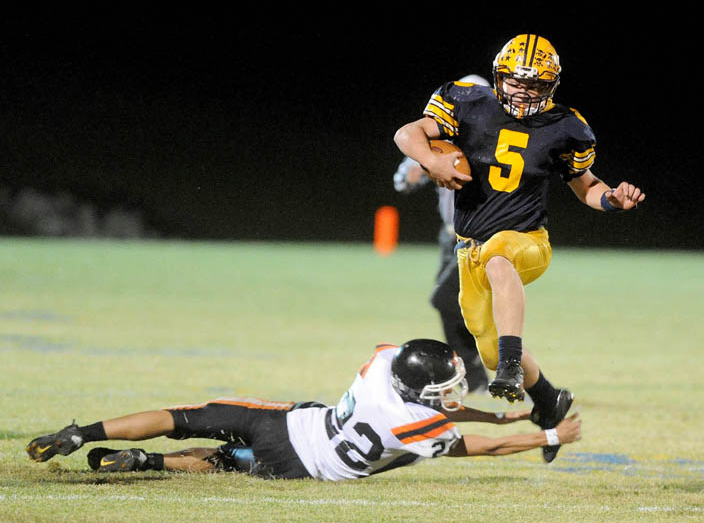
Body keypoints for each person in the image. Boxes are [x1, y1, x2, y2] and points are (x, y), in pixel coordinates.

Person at [393, 34, 644, 462]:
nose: (523, 91)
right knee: (487, 346)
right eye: (516, 81)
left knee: (499, 254)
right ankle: (547, 400)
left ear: (551, 86)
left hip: (526, 241)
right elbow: (408, 133)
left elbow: (586, 186)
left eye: (535, 84)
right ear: (499, 76)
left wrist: (611, 199)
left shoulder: (568, 127)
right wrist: (431, 160)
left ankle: (511, 364)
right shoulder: (468, 102)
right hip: (469, 248)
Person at [26, 339, 582, 479]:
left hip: (288, 421)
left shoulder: (384, 362)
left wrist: (494, 417)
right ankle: (146, 466)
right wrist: (548, 437)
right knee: (223, 462)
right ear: (423, 394)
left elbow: (438, 406)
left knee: (183, 415)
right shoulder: (418, 424)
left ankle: (81, 433)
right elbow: (478, 447)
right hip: (303, 465)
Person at [393, 75, 491, 394]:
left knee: (448, 300)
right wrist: (427, 162)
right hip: (450, 236)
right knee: (453, 304)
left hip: (480, 234)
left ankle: (477, 371)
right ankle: (470, 372)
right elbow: (402, 181)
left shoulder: (491, 139)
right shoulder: (440, 137)